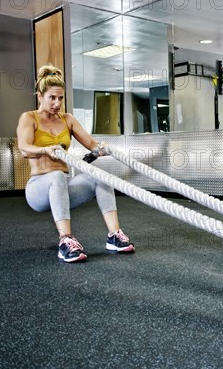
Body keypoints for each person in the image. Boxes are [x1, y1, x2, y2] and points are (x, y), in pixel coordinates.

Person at [16, 65, 134, 263]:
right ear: (40, 96)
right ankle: (66, 240)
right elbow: (24, 148)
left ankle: (114, 235)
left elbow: (91, 144)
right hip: (38, 190)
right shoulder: (29, 118)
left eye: (60, 98)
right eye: (52, 98)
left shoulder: (67, 119)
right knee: (55, 177)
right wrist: (45, 149)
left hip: (64, 187)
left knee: (100, 176)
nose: (57, 103)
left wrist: (102, 148)